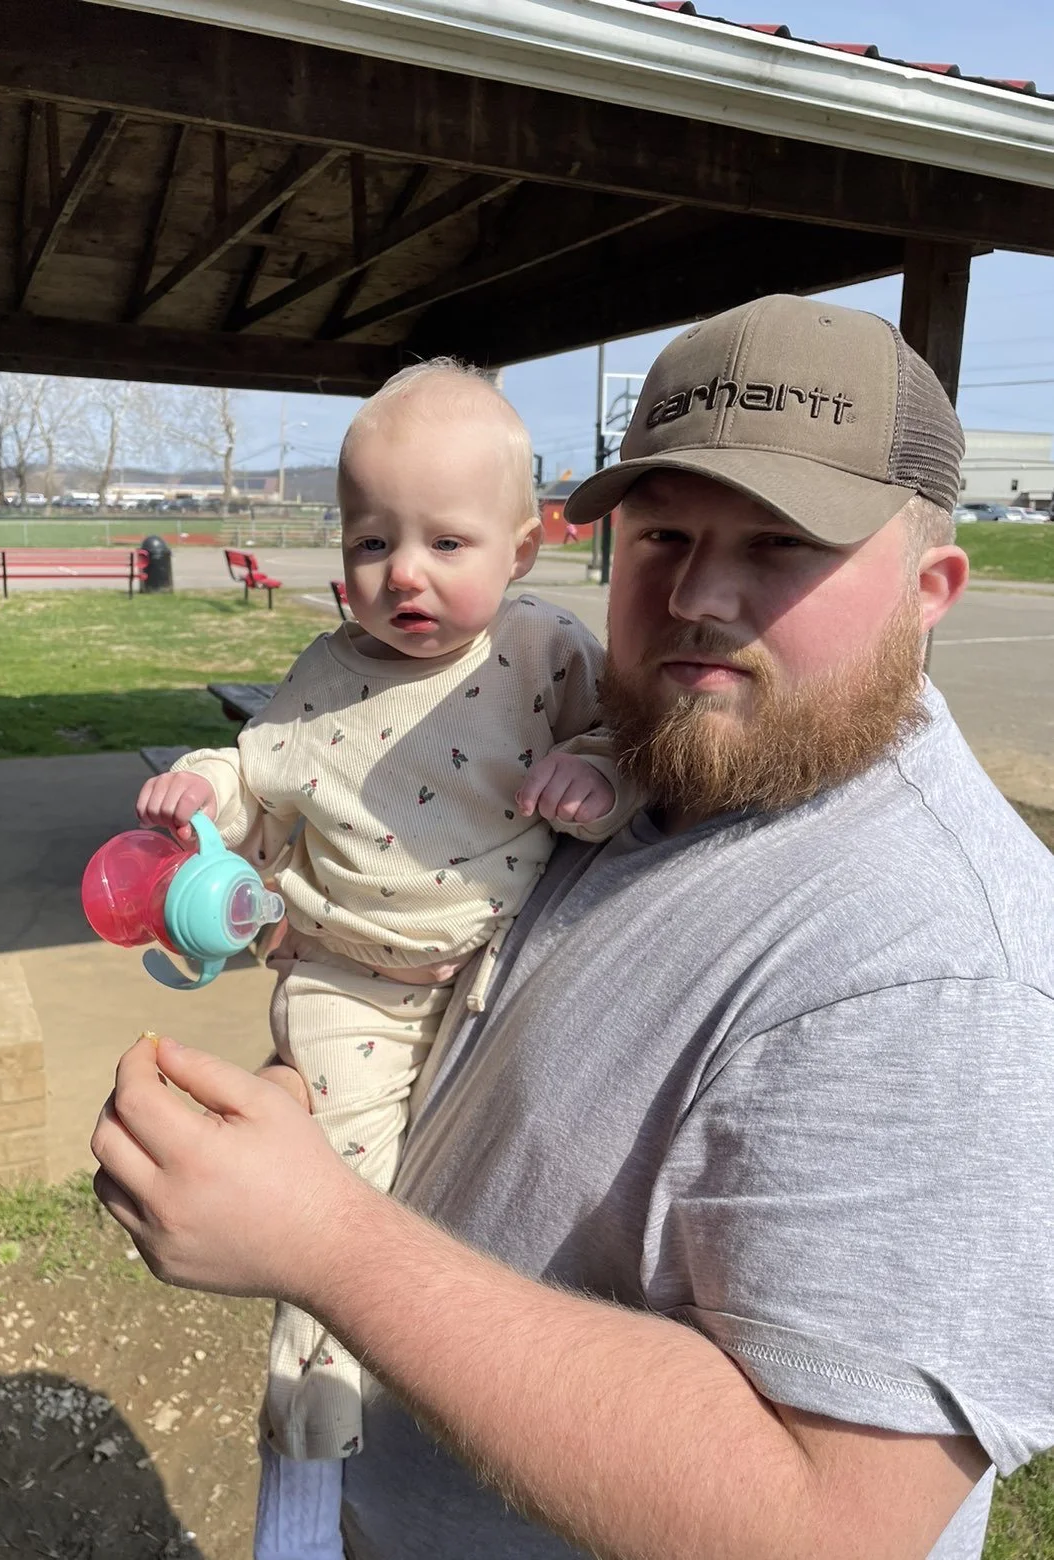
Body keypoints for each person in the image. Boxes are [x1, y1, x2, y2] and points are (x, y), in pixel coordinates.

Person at [93, 294, 1054, 1560]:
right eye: (662, 532)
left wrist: (324, 1237)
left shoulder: (933, 971)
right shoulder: (658, 746)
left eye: (779, 543)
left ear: (929, 589)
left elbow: (826, 1522)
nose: (702, 594)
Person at [134, 361, 638, 1552]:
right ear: (341, 552)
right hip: (350, 983)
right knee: (340, 1202)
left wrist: (602, 771)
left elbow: (628, 747)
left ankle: (491, 1412)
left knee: (504, 1200)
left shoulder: (547, 654)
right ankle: (307, 1466)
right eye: (373, 541)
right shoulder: (321, 678)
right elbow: (249, 780)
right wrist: (191, 793)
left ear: (521, 550)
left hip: (500, 973)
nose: (403, 572)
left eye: (446, 542)